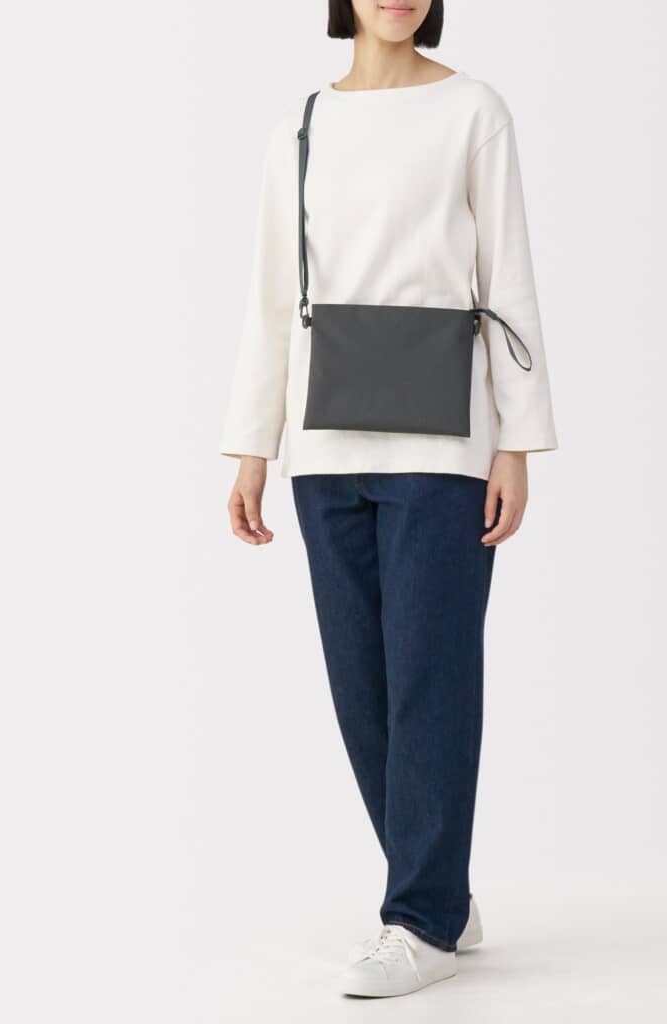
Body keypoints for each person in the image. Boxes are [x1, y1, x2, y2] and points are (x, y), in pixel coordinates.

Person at [220, 0, 558, 998]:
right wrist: (251, 445)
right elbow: (272, 294)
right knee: (361, 688)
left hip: (445, 441)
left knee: (430, 678)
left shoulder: (473, 110)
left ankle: (418, 918)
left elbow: (508, 275)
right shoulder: (301, 123)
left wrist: (518, 441)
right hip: (323, 442)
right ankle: (440, 889)